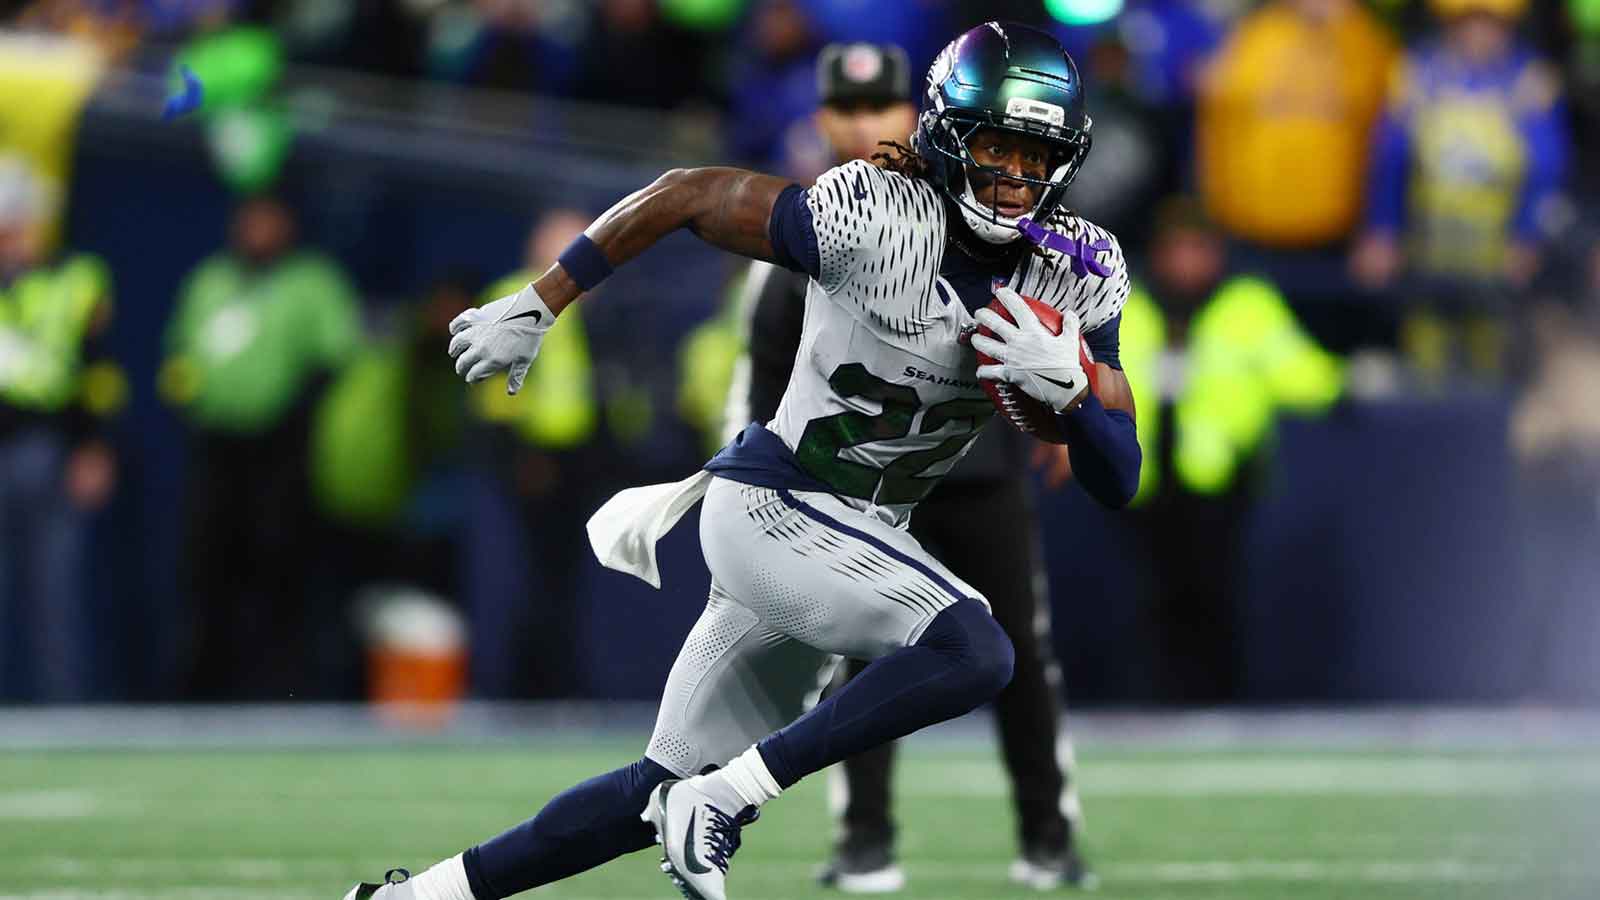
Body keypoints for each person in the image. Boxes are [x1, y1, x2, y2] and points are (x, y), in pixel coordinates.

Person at [347, 22, 1139, 900]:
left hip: (856, 530)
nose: (1016, 176)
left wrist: (1072, 400)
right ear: (949, 132)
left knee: (647, 793)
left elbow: (1120, 474)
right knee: (977, 649)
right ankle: (726, 798)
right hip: (781, 503)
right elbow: (688, 193)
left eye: (1037, 155)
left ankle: (417, 897)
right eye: (997, 145)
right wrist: (542, 299)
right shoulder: (872, 214)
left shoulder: (1080, 269)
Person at [721, 42, 1092, 892]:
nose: (863, 125)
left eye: (879, 107)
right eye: (846, 109)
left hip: (978, 469)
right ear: (823, 119)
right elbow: (769, 374)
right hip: (864, 489)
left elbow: (1059, 311)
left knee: (1022, 658)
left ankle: (1049, 832)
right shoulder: (813, 225)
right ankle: (864, 835)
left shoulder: (991, 214)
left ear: (913, 115)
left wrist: (1067, 414)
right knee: (859, 659)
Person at [1116, 198, 1342, 702]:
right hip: (1142, 482)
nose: (1187, 263)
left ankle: (1218, 702)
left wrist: (1346, 381)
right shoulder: (1131, 305)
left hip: (1222, 479)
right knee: (1150, 601)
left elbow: (1298, 371)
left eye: (1198, 249)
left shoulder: (1247, 305)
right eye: (1177, 250)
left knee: (1217, 596)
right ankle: (1157, 702)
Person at [162, 193, 362, 700]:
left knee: (279, 567)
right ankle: (203, 694)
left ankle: (279, 692)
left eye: (268, 220)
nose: (257, 231)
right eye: (249, 221)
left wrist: (293, 411)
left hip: (281, 450)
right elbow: (181, 356)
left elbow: (335, 357)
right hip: (216, 446)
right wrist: (190, 397)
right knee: (207, 571)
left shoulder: (311, 281)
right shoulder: (210, 281)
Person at [0, 154, 120, 701]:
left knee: (55, 592)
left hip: (47, 445)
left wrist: (95, 445)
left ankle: (64, 713)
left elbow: (98, 366)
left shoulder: (77, 277)